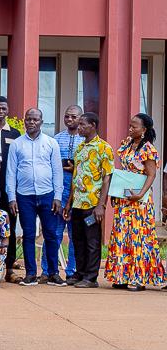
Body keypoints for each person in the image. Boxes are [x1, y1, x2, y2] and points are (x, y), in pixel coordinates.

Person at [105, 113, 164, 292]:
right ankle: (121, 276)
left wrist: (140, 194)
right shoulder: (126, 145)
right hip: (124, 198)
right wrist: (115, 194)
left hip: (140, 201)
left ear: (144, 130)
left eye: (134, 127)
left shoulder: (148, 149)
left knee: (139, 238)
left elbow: (151, 174)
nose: (130, 129)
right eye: (130, 126)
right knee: (122, 236)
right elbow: (122, 172)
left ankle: (139, 279)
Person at [6, 108, 64, 285]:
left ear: (41, 121)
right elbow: (11, 172)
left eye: (35, 119)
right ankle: (31, 273)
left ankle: (53, 273)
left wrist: (58, 196)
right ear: (24, 121)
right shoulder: (17, 144)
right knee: (28, 235)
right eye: (29, 119)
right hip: (24, 197)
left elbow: (57, 171)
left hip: (48, 195)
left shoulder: (51, 143)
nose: (32, 122)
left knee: (51, 234)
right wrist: (11, 197)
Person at [65, 112, 114, 289]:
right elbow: (76, 175)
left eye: (83, 125)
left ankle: (91, 277)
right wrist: (69, 202)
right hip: (78, 202)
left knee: (92, 241)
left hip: (93, 204)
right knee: (77, 240)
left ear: (93, 125)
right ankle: (80, 272)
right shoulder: (80, 148)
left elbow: (107, 178)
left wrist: (101, 205)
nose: (79, 128)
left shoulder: (104, 148)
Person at [0, 96, 22, 281]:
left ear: (8, 110)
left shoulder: (15, 134)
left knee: (10, 227)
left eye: (4, 108)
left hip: (9, 188)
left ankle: (9, 268)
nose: (0, 111)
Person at [49, 105, 84, 280]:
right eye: (67, 116)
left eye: (73, 117)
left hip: (78, 192)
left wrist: (74, 168)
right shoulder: (56, 139)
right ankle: (49, 271)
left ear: (81, 118)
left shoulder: (85, 140)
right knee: (54, 232)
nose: (69, 120)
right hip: (59, 189)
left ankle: (71, 272)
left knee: (74, 235)